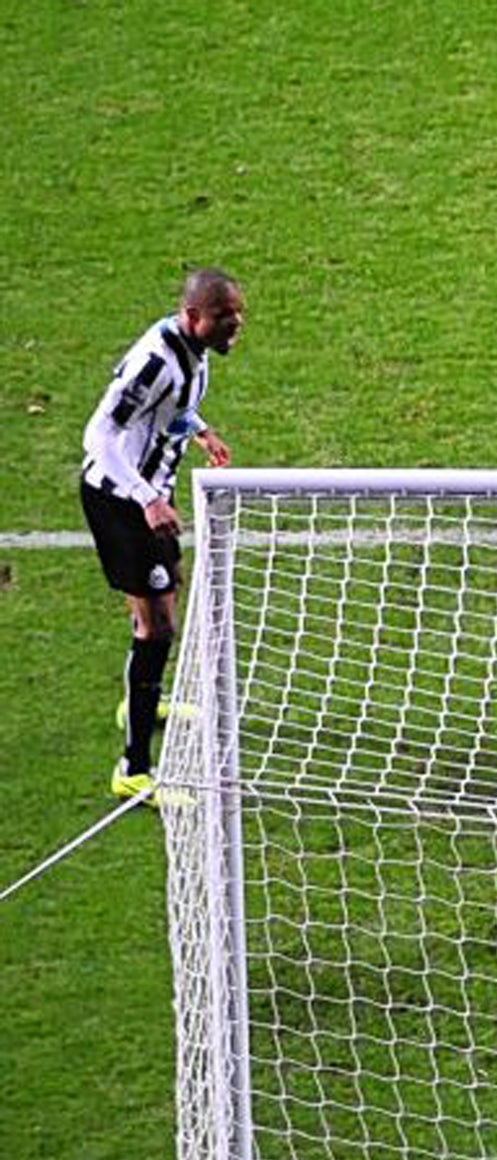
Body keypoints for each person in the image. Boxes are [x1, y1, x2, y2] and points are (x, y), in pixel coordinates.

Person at [81, 268, 245, 798]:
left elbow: (171, 407)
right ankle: (131, 770)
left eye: (238, 313)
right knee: (155, 626)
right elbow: (99, 436)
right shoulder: (156, 363)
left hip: (150, 496)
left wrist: (199, 429)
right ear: (194, 316)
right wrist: (147, 498)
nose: (235, 324)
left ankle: (141, 700)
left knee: (165, 605)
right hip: (123, 501)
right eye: (224, 317)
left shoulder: (189, 353)